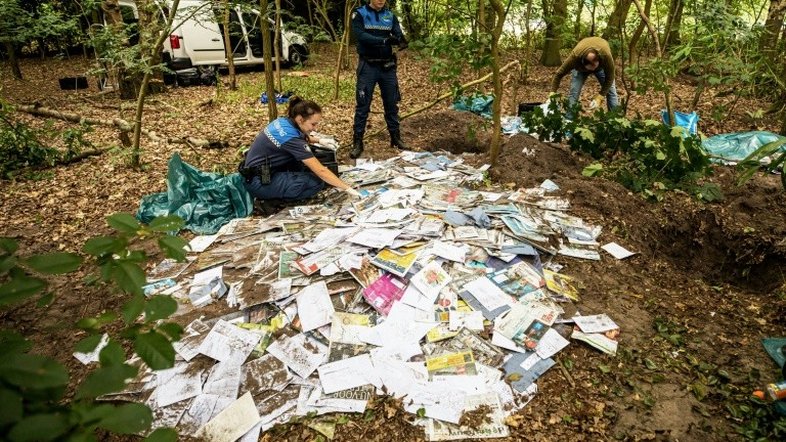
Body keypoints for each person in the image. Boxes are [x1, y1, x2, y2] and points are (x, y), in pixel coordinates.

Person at [240, 97, 361, 206]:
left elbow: (298, 137)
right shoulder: (290, 138)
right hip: (259, 182)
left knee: (303, 168)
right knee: (316, 182)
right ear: (300, 119)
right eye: (313, 124)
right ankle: (276, 202)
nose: (315, 128)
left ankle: (278, 192)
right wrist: (347, 188)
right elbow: (320, 170)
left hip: (258, 173)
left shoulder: (283, 122)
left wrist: (319, 140)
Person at [349, 0, 409, 159]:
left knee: (391, 103)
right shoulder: (360, 14)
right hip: (368, 66)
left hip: (387, 67)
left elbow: (396, 32)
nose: (381, 0)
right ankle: (357, 142)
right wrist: (383, 40)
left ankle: (395, 138)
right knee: (362, 105)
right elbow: (360, 36)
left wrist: (400, 39)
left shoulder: (390, 15)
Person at [550, 36, 619, 117]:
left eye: (594, 67)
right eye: (590, 68)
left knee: (611, 92)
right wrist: (552, 92)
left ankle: (614, 120)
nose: (592, 70)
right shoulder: (575, 57)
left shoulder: (605, 55)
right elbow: (559, 74)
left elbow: (610, 77)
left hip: (600, 68)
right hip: (580, 70)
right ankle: (569, 121)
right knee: (574, 93)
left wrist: (601, 96)